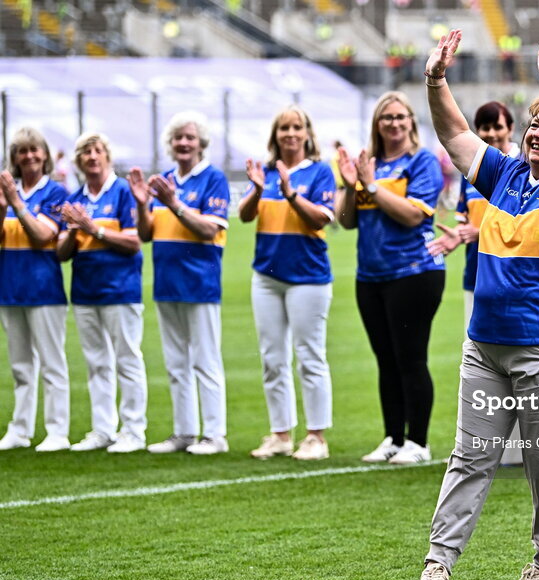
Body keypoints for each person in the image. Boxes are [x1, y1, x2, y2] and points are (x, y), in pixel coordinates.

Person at [413, 30, 539, 580]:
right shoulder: (504, 176)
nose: (535, 132)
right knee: (469, 458)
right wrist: (435, 79)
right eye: (532, 124)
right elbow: (453, 133)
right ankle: (437, 566)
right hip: (487, 348)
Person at [335, 91, 445, 467]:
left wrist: (372, 186)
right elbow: (346, 220)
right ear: (376, 125)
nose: (394, 123)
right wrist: (353, 185)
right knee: (385, 359)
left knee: (410, 357)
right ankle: (394, 437)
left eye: (401, 117)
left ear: (411, 122)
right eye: (387, 118)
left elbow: (414, 215)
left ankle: (419, 441)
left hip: (414, 273)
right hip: (371, 275)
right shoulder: (370, 163)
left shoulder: (422, 161)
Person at [428, 101, 525, 468]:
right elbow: (464, 223)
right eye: (482, 129)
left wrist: (477, 232)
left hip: (515, 281)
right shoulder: (474, 172)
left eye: (495, 127)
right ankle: (486, 443)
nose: (489, 134)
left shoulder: (522, 169)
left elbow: (525, 225)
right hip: (477, 278)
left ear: (510, 127)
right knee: (482, 364)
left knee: (516, 358)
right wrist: (459, 237)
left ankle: (519, 447)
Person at [129, 111, 231, 455]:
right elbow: (145, 234)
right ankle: (184, 432)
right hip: (167, 281)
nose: (183, 143)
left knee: (205, 360)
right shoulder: (164, 180)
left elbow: (209, 229)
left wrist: (173, 203)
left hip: (199, 282)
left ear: (201, 144)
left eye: (189, 138)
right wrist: (144, 205)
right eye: (178, 138)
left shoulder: (212, 179)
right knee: (176, 363)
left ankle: (215, 433)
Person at [239, 105, 336, 461]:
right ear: (275, 135)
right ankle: (280, 434)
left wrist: (290, 192)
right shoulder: (264, 172)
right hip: (266, 276)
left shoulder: (321, 173)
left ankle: (316, 437)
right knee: (272, 358)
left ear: (307, 133)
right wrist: (257, 189)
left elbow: (319, 220)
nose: (291, 133)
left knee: (309, 356)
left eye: (297, 127)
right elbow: (245, 215)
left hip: (307, 278)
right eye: (284, 128)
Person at [56, 132, 147, 453]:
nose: (92, 157)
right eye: (85, 153)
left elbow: (133, 242)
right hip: (85, 290)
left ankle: (134, 430)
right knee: (97, 364)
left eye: (97, 151)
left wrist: (92, 228)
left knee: (127, 360)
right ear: (79, 162)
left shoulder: (123, 192)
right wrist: (72, 230)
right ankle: (103, 429)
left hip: (120, 290)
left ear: (107, 156)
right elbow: (63, 253)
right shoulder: (77, 199)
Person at [0, 127, 71, 452]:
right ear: (14, 158)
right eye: (21, 151)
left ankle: (57, 430)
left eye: (34, 150)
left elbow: (44, 235)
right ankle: (20, 427)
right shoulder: (8, 192)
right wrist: (4, 207)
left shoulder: (55, 193)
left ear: (44, 155)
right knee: (20, 364)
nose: (29, 156)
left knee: (52, 362)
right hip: (11, 287)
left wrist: (16, 203)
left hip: (44, 290)